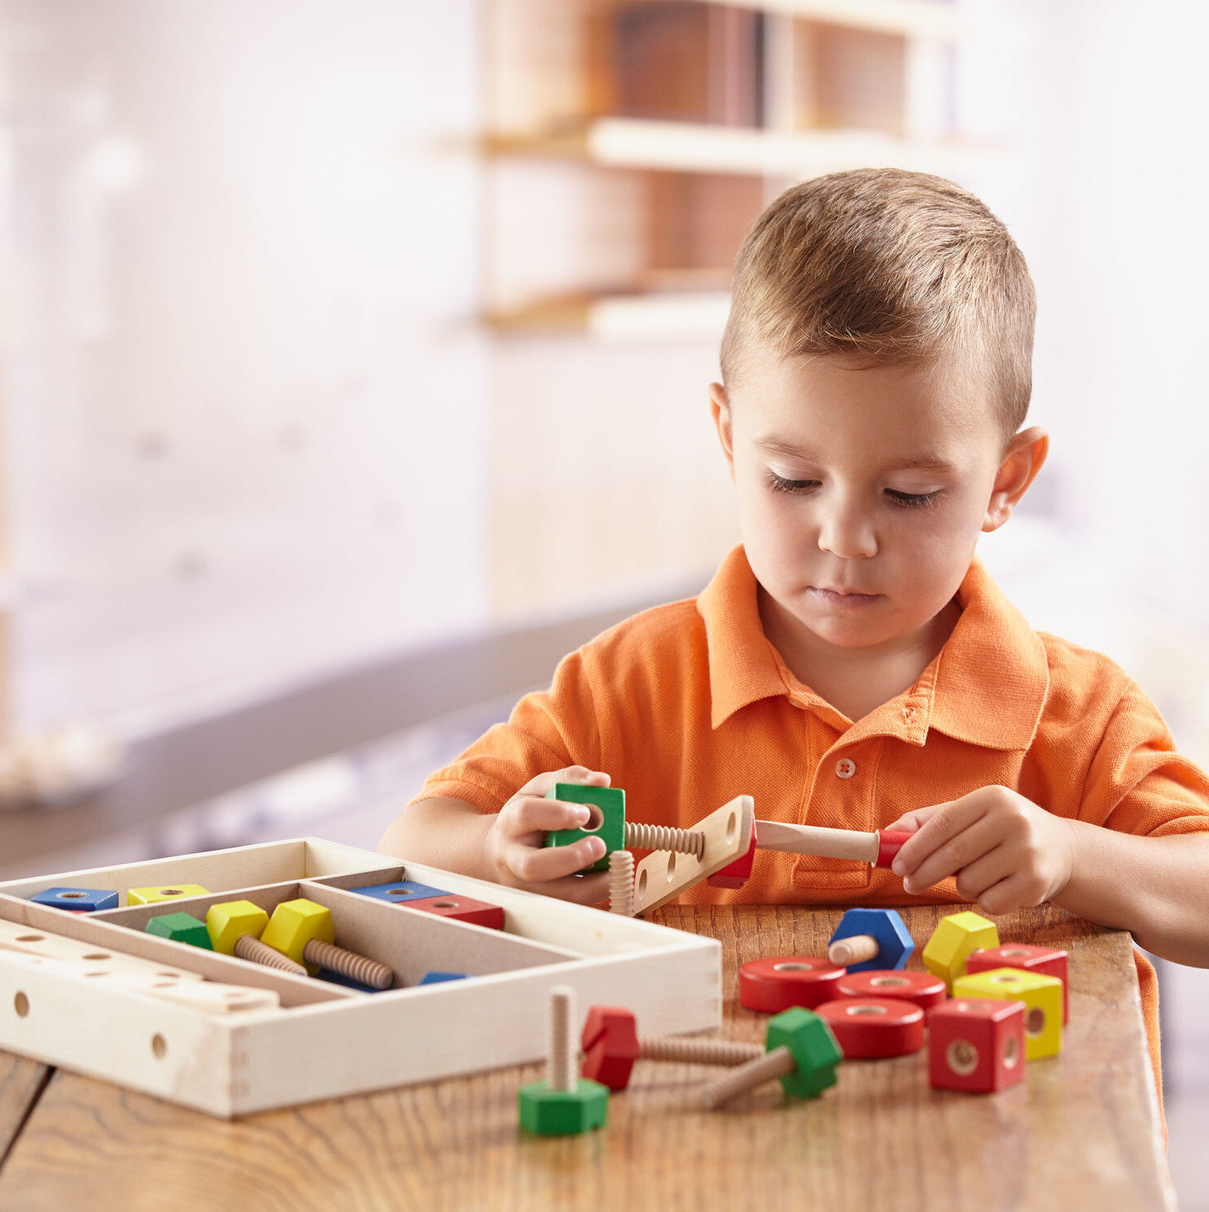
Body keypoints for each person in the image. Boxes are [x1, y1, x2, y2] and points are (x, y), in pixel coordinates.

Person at [379, 168, 1209, 974]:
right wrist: (497, 848)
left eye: (910, 494)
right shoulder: (629, 688)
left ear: (1005, 483)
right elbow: (410, 845)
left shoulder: (1081, 717)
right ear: (730, 438)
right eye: (795, 482)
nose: (846, 538)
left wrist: (1074, 856)